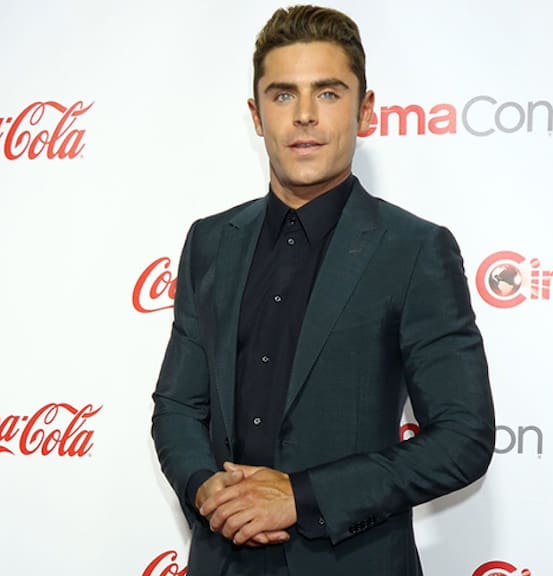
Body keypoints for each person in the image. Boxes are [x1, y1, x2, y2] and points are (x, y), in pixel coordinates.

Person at [151, 5, 495, 575]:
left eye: (328, 93)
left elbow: (464, 437)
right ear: (256, 115)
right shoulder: (210, 241)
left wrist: (301, 497)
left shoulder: (414, 249)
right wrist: (208, 490)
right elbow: (178, 405)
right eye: (283, 94)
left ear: (365, 110)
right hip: (222, 561)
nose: (305, 115)